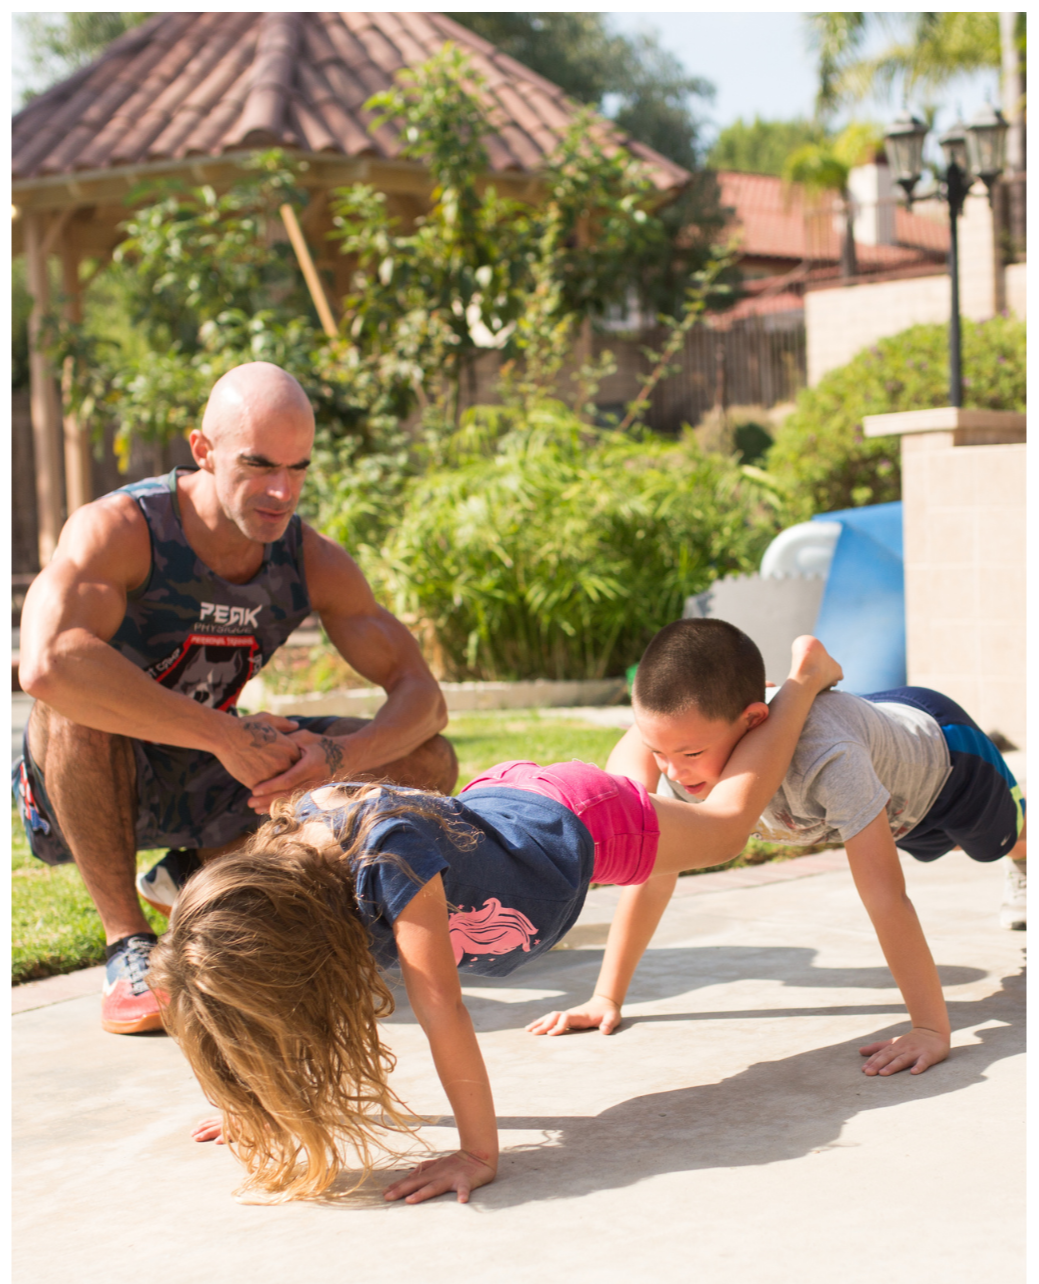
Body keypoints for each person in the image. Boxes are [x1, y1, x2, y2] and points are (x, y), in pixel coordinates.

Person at [149, 636, 842, 1205]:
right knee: (636, 793)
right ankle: (652, 731)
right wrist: (248, 1100)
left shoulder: (392, 864)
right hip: (512, 804)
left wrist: (478, 1154)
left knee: (722, 826)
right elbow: (240, 993)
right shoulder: (283, 871)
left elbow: (444, 1011)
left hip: (568, 828)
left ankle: (801, 679)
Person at [15, 362, 457, 1036]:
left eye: (298, 468)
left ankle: (190, 875)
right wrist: (222, 734)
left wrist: (338, 755)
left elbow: (423, 697)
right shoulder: (124, 529)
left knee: (425, 762)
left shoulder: (309, 558)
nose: (282, 491)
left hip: (213, 774)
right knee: (75, 703)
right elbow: (47, 664)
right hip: (92, 779)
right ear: (203, 450)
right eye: (258, 465)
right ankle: (128, 946)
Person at [529, 618, 1026, 1077]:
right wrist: (605, 997)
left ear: (752, 720)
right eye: (657, 752)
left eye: (690, 753)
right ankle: (807, 674)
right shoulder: (686, 749)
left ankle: (1023, 862)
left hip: (947, 764)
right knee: (923, 840)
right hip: (877, 767)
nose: (674, 772)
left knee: (1001, 843)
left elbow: (885, 897)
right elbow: (653, 876)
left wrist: (930, 1028)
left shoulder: (829, 759)